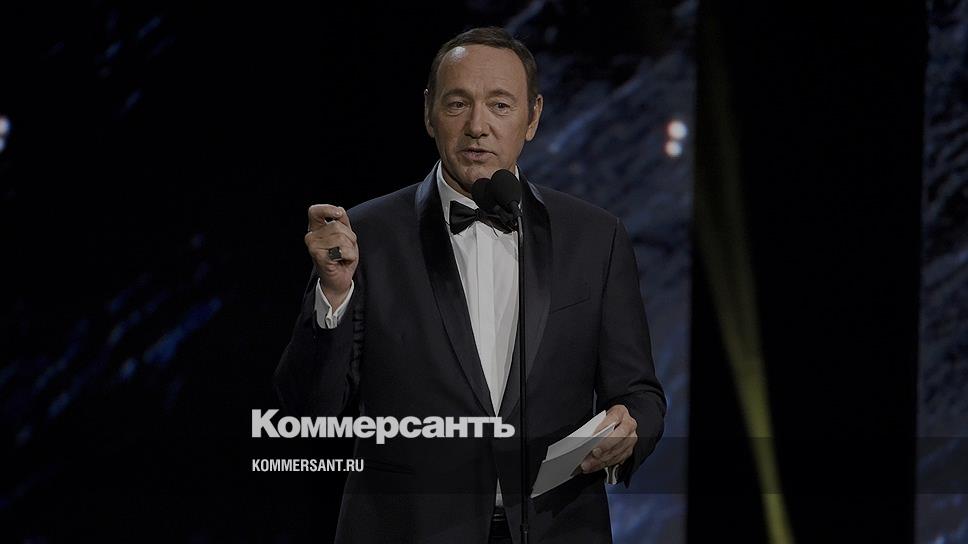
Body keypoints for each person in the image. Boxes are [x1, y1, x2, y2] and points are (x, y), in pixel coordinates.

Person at [274, 26, 666, 544]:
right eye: (458, 104)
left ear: (533, 118)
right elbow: (308, 410)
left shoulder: (596, 237)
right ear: (428, 112)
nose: (478, 126)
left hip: (556, 528)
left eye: (500, 105)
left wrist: (629, 428)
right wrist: (333, 295)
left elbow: (639, 394)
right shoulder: (362, 236)